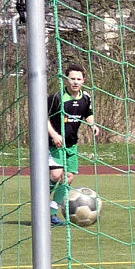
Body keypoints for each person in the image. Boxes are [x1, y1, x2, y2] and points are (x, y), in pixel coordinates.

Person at [47, 64, 99, 226]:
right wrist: (54, 135)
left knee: (68, 177)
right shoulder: (56, 98)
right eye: (72, 78)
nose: (75, 82)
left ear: (83, 80)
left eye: (78, 79)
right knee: (56, 175)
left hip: (71, 144)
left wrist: (92, 125)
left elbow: (88, 114)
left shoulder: (86, 97)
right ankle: (40, 203)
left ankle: (51, 213)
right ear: (66, 80)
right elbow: (43, 118)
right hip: (54, 143)